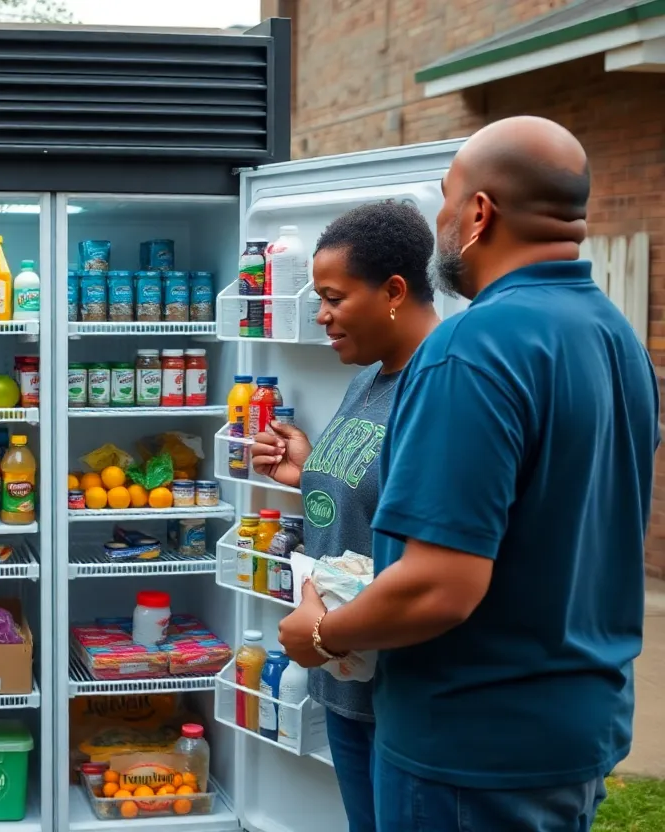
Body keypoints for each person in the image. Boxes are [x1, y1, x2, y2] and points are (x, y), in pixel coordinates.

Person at [278, 116, 658, 831]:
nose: (441, 224)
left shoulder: (469, 346)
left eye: (448, 201)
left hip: (467, 744)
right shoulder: (616, 337)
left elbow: (440, 585)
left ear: (479, 214)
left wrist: (322, 633)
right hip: (576, 726)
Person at [250, 200, 439, 832]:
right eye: (318, 299)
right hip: (344, 679)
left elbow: (431, 546)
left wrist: (327, 633)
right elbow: (375, 493)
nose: (321, 315)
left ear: (394, 292)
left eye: (334, 298)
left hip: (399, 688)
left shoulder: (436, 388)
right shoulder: (368, 378)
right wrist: (311, 472)